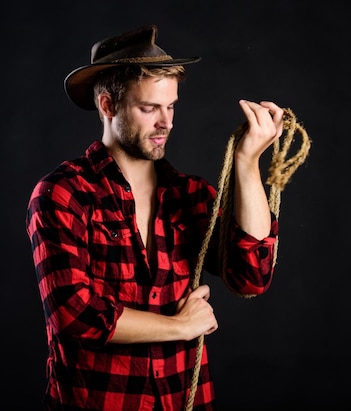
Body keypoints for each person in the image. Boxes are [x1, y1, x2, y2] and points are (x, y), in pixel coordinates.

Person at [26, 24, 284, 411]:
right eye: (149, 108)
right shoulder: (64, 193)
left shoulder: (191, 196)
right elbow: (75, 314)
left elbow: (252, 276)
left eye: (171, 106)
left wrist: (248, 163)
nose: (166, 122)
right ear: (108, 106)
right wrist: (181, 327)